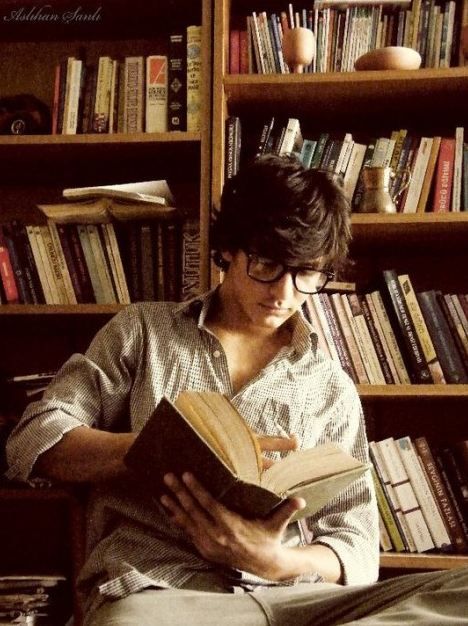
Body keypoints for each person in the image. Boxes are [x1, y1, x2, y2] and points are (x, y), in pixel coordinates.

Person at [6, 155, 468, 626]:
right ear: (228, 249)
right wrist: (163, 450)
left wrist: (273, 560)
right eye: (267, 264)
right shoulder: (144, 332)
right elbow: (36, 439)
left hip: (294, 601)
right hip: (163, 592)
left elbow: (357, 549)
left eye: (307, 273)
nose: (285, 293)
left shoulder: (331, 386)